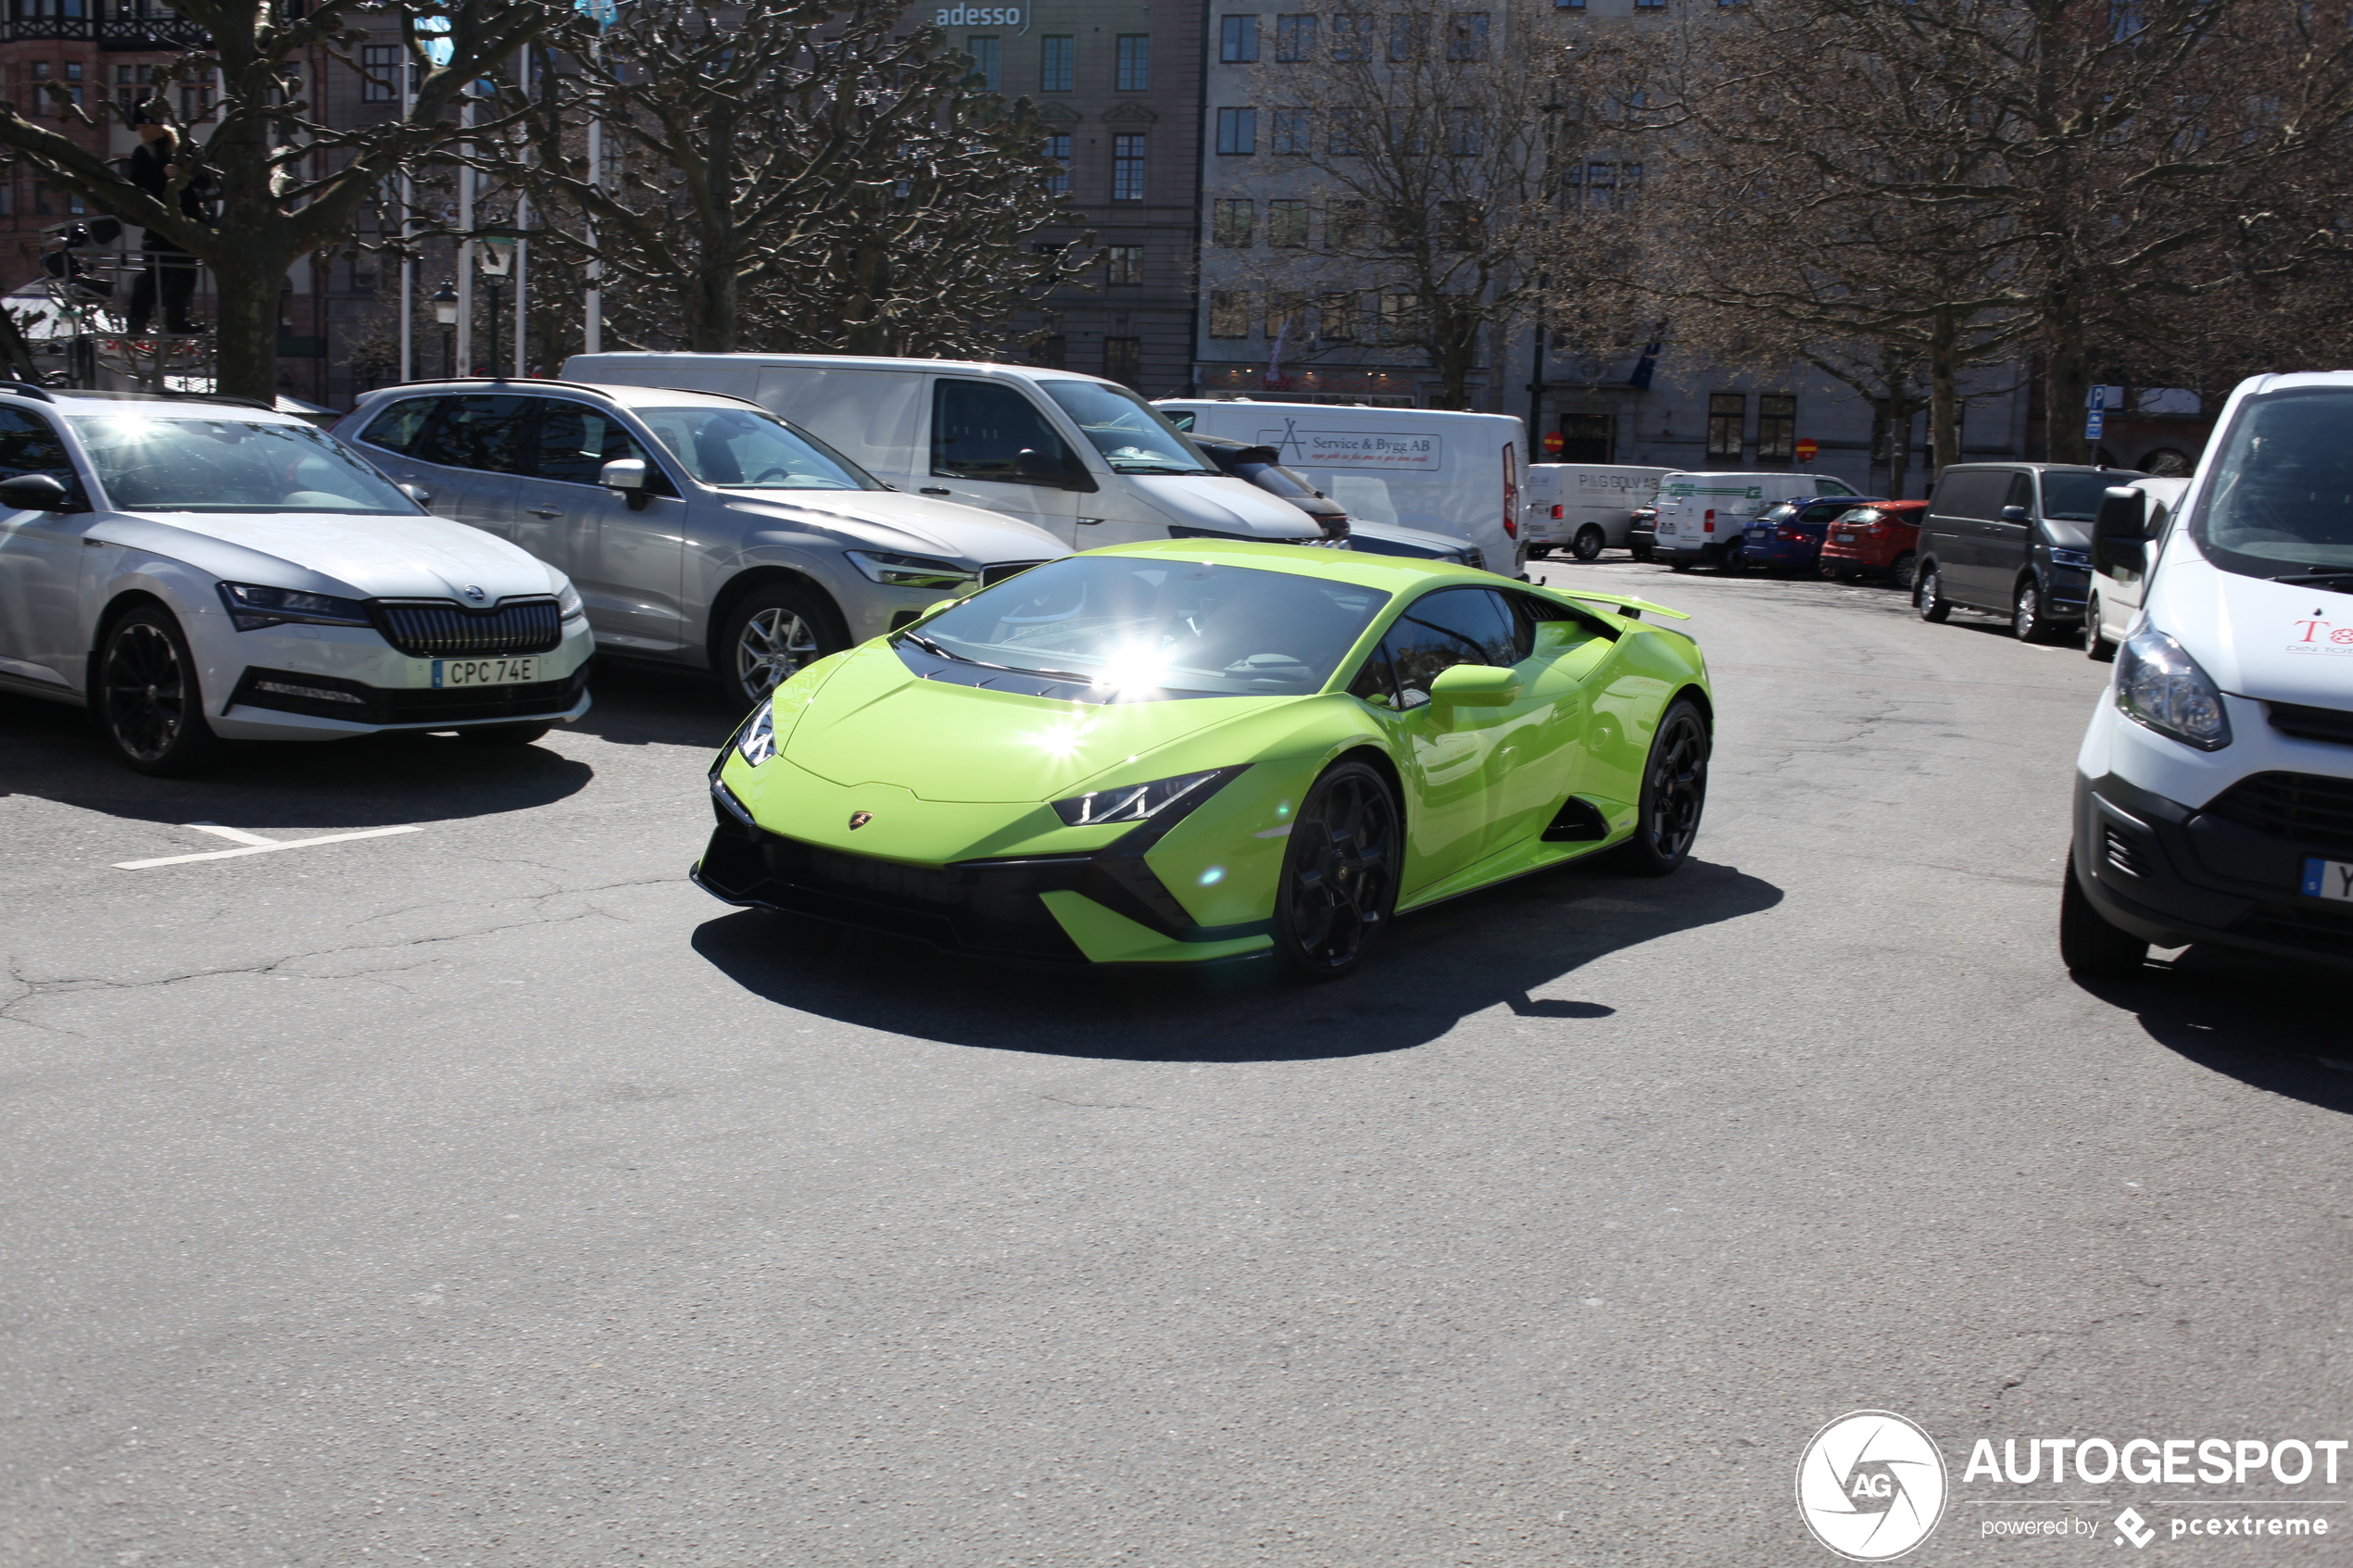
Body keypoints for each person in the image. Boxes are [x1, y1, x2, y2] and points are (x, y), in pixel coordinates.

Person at [121, 107, 206, 335]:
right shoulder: (142, 153)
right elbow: (137, 187)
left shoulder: (183, 148)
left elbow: (205, 180)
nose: (142, 132)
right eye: (139, 128)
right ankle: (137, 321)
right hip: (158, 223)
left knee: (185, 276)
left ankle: (177, 323)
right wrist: (162, 176)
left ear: (159, 125)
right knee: (154, 276)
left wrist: (190, 170)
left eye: (146, 127)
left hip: (186, 221)